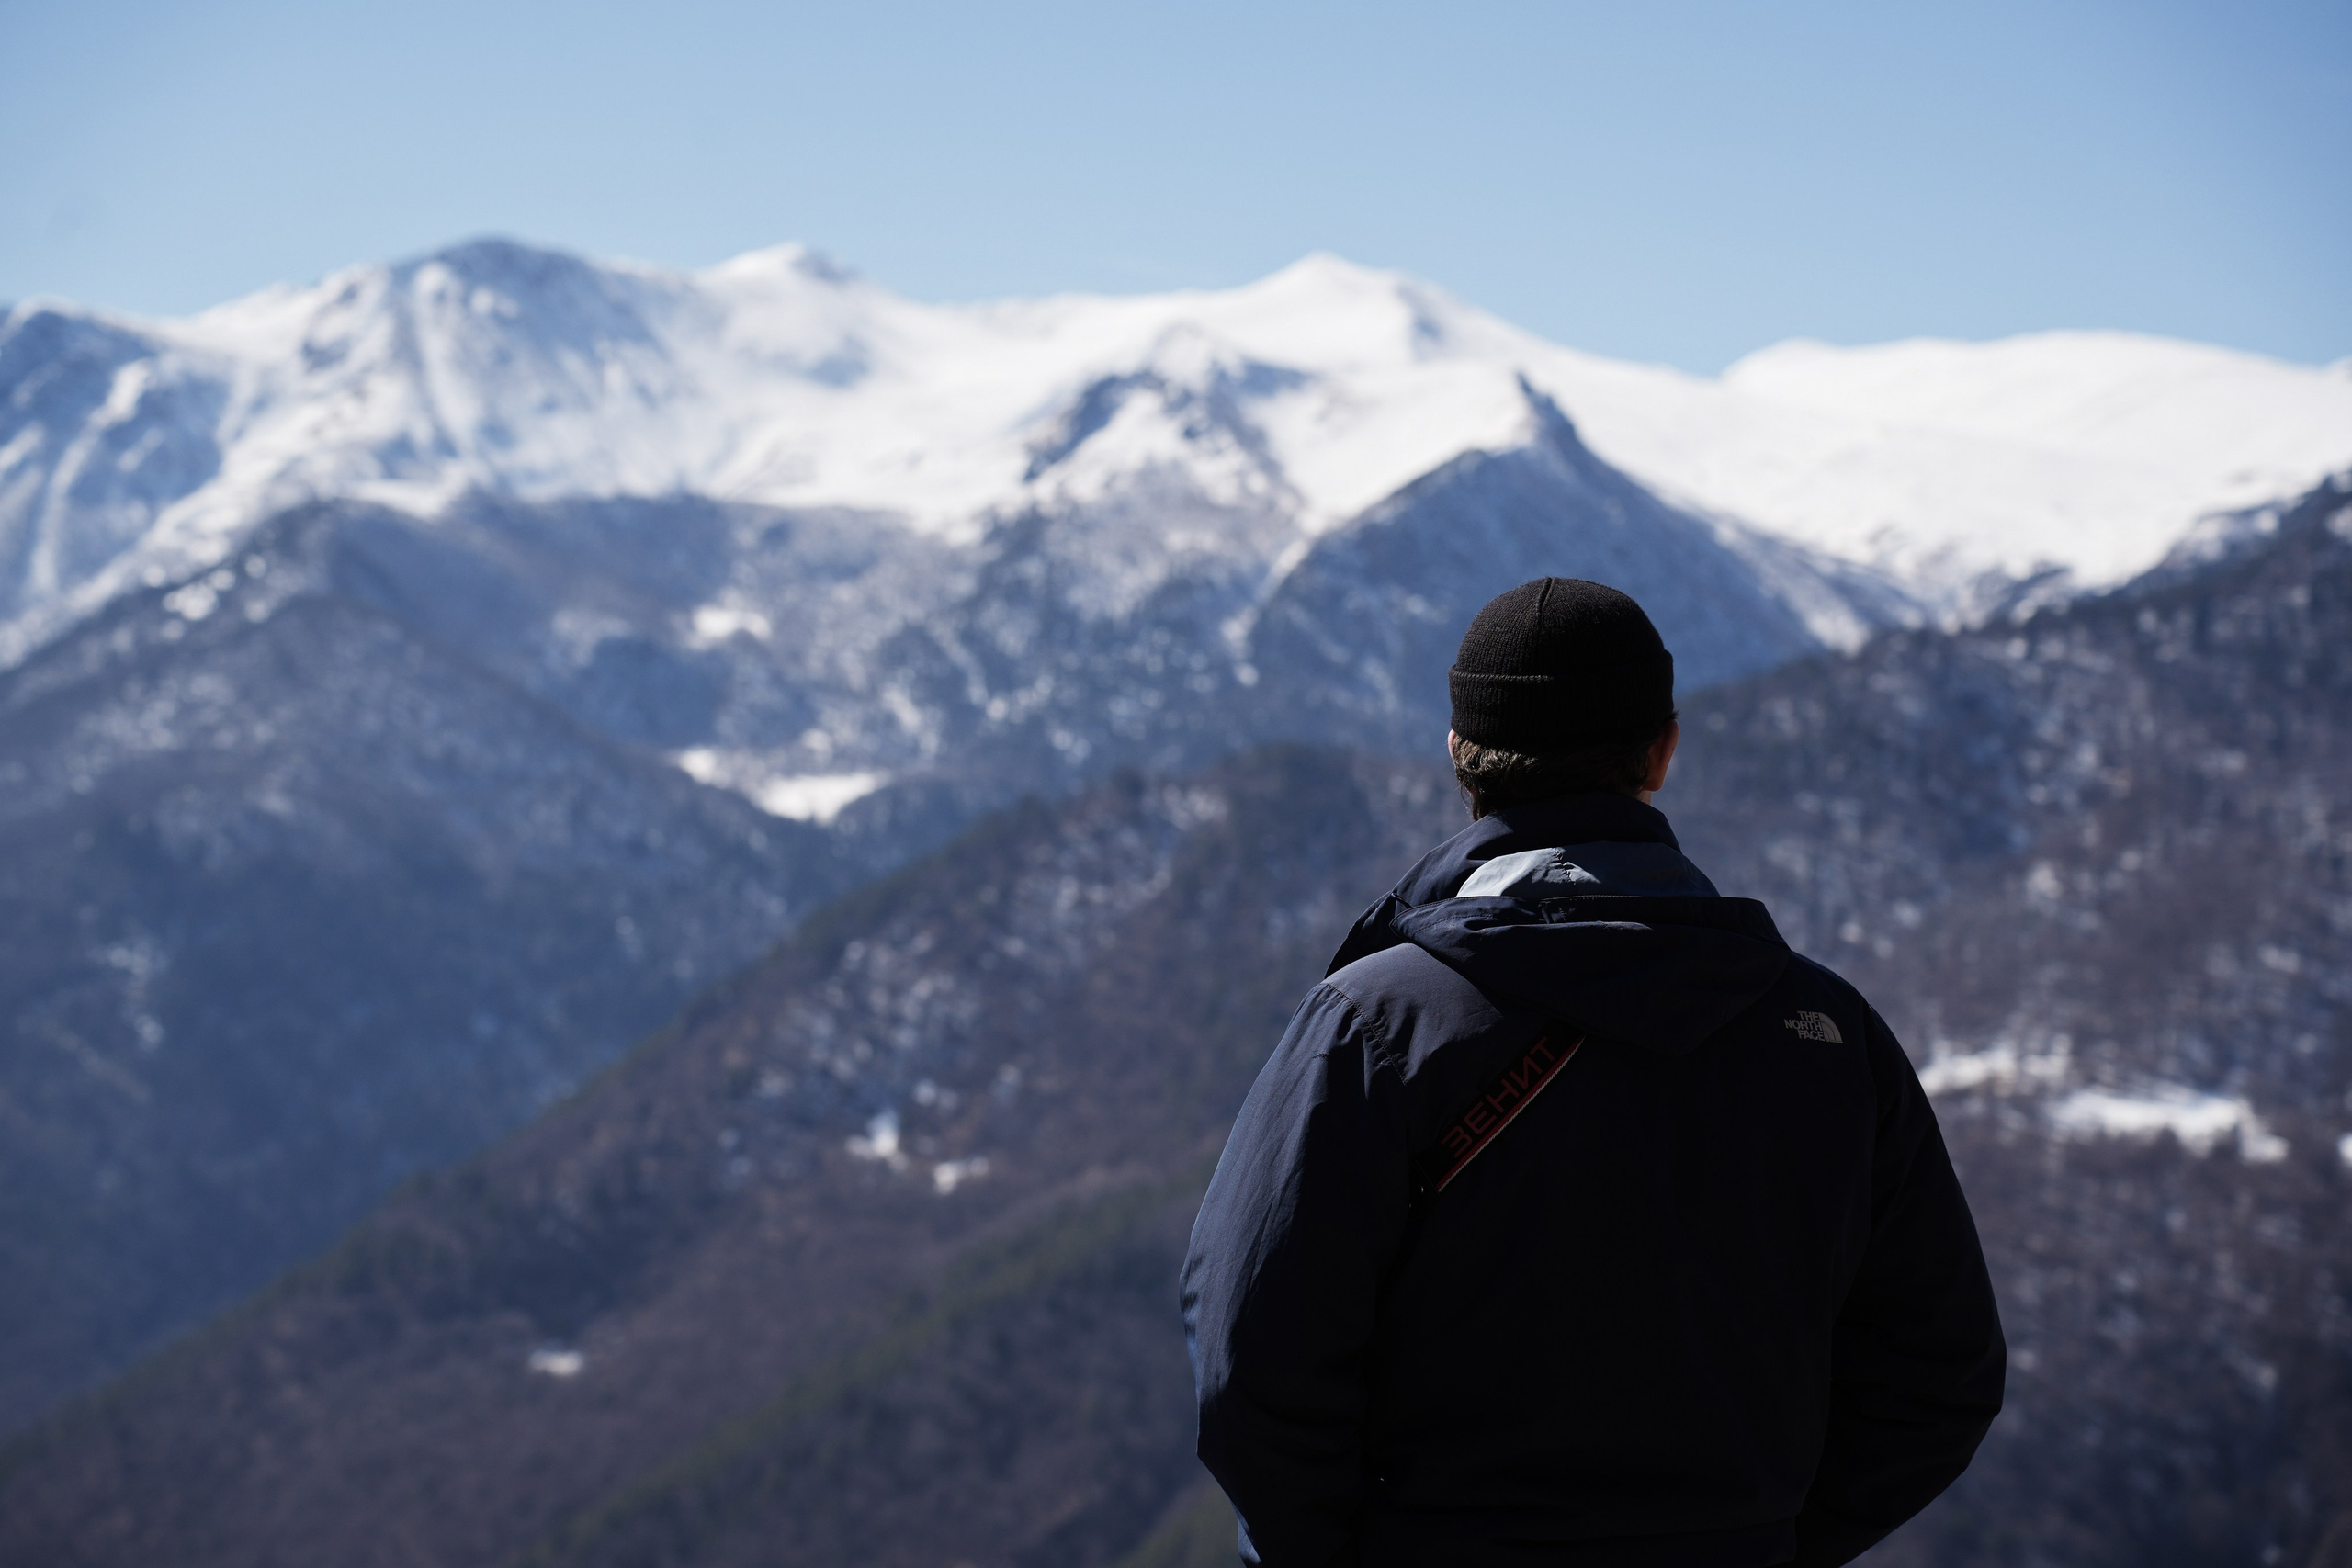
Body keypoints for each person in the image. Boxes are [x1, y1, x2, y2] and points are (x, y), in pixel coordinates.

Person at [1181, 577, 2004, 1568]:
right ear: (1661, 752)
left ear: (1459, 759)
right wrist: (1763, 1536)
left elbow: (1251, 1367)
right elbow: (1940, 1372)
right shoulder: (1825, 1030)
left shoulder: (1377, 1024)